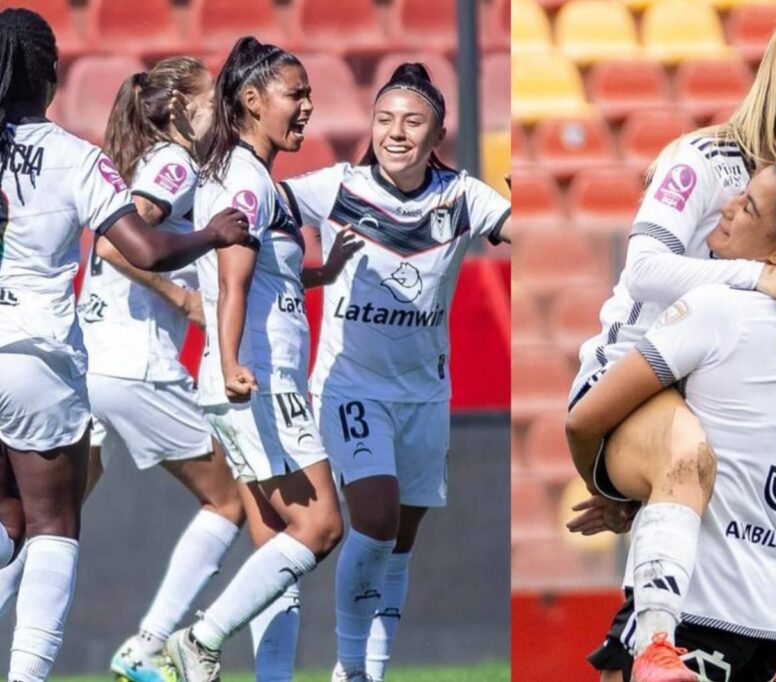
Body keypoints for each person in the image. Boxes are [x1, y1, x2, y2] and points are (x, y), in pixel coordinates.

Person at [566, 21, 776, 682]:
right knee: (686, 457)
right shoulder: (706, 161)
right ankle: (654, 653)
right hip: (633, 384)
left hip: (709, 404)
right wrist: (754, 275)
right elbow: (646, 269)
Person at [0, 9, 254, 681]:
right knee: (55, 522)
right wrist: (211, 240)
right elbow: (133, 241)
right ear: (51, 75)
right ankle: (65, 666)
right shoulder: (86, 158)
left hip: (42, 352)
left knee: (11, 523)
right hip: (44, 355)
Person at [280, 62, 511, 681]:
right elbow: (261, 206)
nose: (396, 132)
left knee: (400, 545)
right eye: (384, 119)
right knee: (375, 519)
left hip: (424, 396)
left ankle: (370, 672)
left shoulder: (462, 196)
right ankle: (349, 668)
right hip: (350, 385)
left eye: (413, 122)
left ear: (437, 135)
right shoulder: (337, 187)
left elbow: (516, 227)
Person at [163, 36, 360, 682]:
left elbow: (263, 275)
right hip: (259, 384)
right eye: (295, 94)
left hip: (249, 380)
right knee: (322, 527)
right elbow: (234, 277)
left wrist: (320, 271)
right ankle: (201, 637)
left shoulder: (248, 176)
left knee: (277, 546)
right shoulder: (246, 179)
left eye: (309, 94)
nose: (308, 106)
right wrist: (228, 362)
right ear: (252, 100)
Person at [75, 57, 245, 682]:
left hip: (90, 356)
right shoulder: (171, 164)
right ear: (178, 109)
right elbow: (119, 243)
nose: (219, 113)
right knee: (230, 501)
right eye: (209, 102)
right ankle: (147, 649)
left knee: (48, 522)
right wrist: (185, 300)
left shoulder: (140, 163)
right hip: (134, 361)